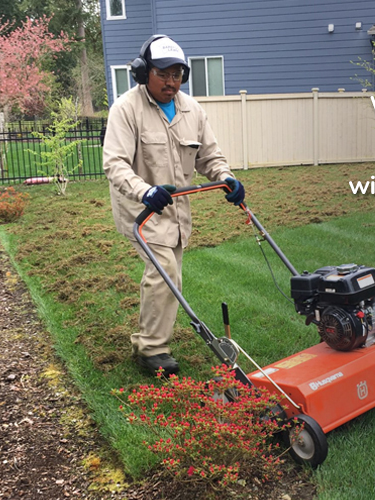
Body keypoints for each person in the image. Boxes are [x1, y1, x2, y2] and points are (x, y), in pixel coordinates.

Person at [102, 34, 245, 376]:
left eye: (177, 74)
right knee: (165, 274)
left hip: (177, 212)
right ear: (143, 73)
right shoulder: (126, 109)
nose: (171, 82)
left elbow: (209, 156)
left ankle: (147, 339)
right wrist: (144, 191)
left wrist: (227, 177)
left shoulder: (191, 109)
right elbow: (115, 163)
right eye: (163, 74)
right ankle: (151, 349)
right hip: (144, 209)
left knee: (169, 274)